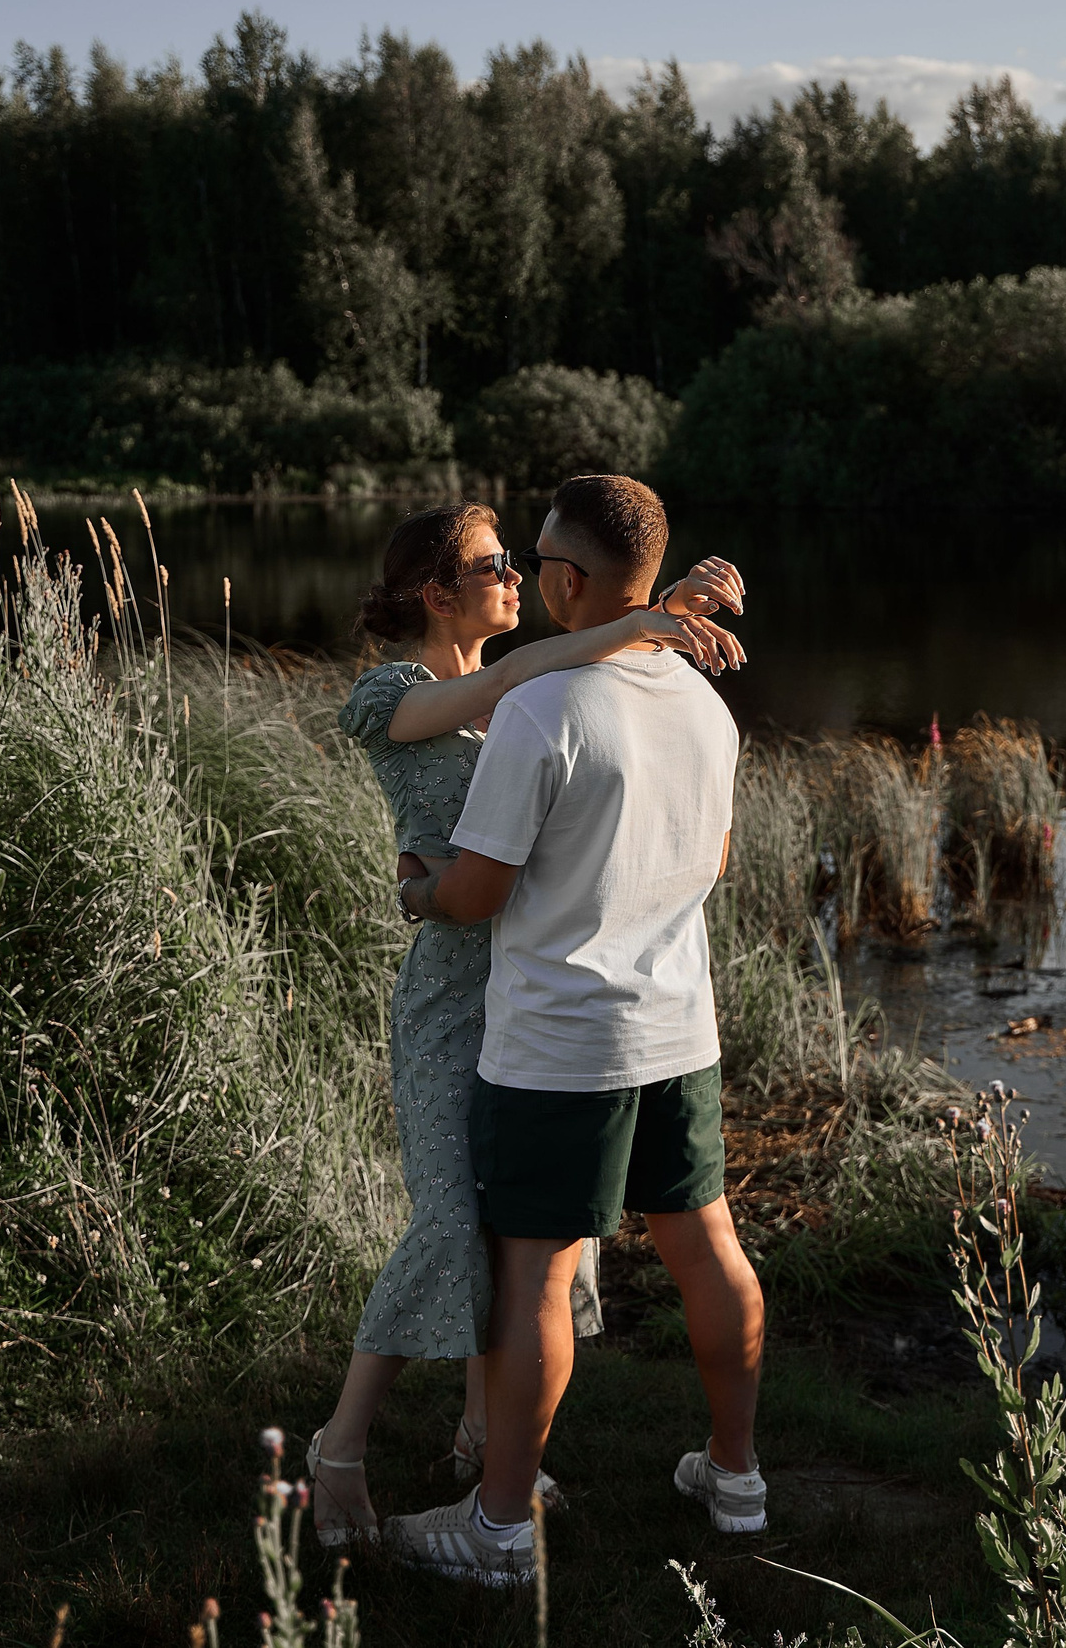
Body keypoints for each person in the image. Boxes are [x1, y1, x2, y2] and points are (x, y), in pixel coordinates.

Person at [309, 498, 747, 1547]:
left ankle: (482, 1439)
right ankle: (339, 1447)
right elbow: (524, 676)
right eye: (491, 562)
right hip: (453, 994)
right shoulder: (393, 694)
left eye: (522, 561)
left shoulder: (532, 687)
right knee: (451, 1222)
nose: (514, 575)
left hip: (524, 981)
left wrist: (654, 606)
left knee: (524, 1237)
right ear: (436, 591)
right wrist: (643, 617)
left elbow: (580, 676)